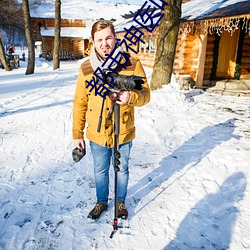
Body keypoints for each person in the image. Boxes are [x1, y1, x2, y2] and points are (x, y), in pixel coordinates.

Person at [72, 20, 150, 220]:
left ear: (115, 38)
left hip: (123, 129)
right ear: (93, 42)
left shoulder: (132, 63)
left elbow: (145, 95)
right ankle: (101, 202)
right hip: (97, 132)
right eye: (100, 39)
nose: (104, 43)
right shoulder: (87, 68)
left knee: (122, 168)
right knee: (100, 170)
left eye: (108, 38)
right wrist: (77, 134)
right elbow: (80, 102)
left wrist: (130, 97)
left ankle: (121, 202)